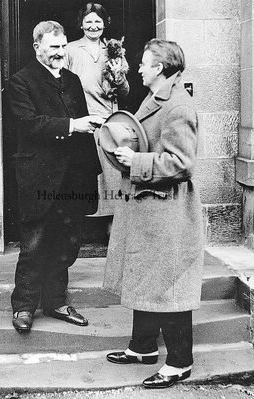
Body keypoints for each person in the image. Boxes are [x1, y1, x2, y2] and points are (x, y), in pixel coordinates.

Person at [103, 39, 204, 388]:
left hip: (167, 211)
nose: (138, 68)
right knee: (145, 277)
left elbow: (183, 163)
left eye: (144, 63)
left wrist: (138, 161)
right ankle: (143, 347)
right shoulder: (156, 98)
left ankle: (179, 362)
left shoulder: (178, 106)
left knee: (168, 286)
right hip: (149, 207)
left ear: (160, 68)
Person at [8, 21, 103, 333]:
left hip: (72, 178)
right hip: (39, 178)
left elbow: (85, 131)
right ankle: (24, 305)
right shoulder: (21, 82)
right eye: (54, 48)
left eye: (63, 46)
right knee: (34, 243)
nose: (61, 52)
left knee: (66, 242)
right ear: (38, 47)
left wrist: (92, 174)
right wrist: (73, 125)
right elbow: (28, 125)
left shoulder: (73, 81)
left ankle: (57, 302)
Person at [66, 2, 129, 215]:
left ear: (105, 24)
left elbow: (125, 93)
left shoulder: (113, 49)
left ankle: (111, 234)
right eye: (89, 21)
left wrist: (119, 78)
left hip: (108, 122)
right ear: (81, 25)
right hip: (82, 122)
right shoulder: (70, 49)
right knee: (84, 180)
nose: (93, 26)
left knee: (111, 179)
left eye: (98, 21)